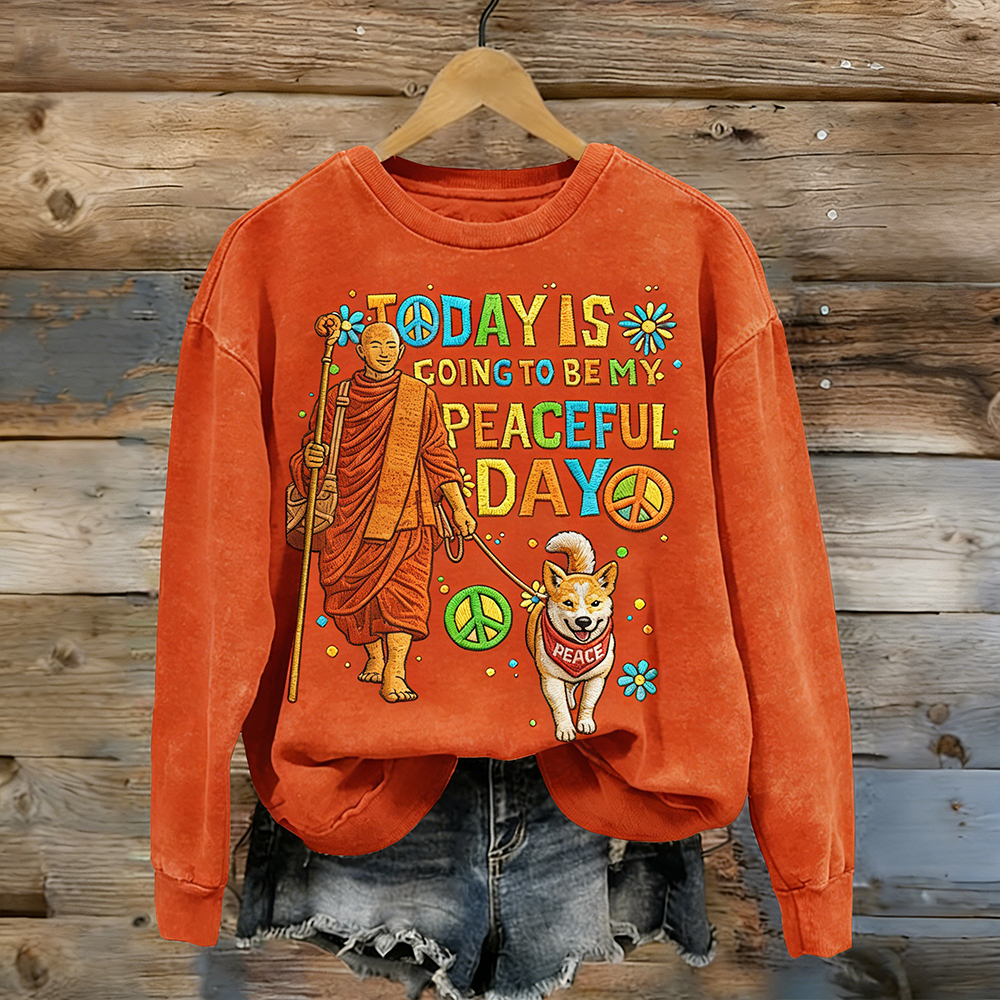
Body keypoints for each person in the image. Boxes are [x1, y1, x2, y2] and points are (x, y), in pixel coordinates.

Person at [288, 321, 476, 703]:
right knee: (347, 587)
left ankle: (396, 670)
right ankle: (375, 655)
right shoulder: (338, 396)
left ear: (402, 351)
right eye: (376, 345)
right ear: (361, 351)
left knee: (405, 590)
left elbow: (438, 454)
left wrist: (458, 509)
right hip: (348, 510)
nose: (385, 352)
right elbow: (313, 447)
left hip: (406, 510)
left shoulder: (417, 397)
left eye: (392, 346)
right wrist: (311, 458)